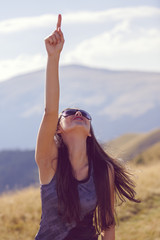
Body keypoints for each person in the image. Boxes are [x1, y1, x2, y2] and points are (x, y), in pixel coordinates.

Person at [35, 14, 140, 240]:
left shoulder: (104, 170)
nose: (79, 114)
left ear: (90, 133)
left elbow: (107, 224)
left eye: (84, 114)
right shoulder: (49, 161)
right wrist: (53, 58)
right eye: (70, 113)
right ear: (58, 129)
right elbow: (50, 111)